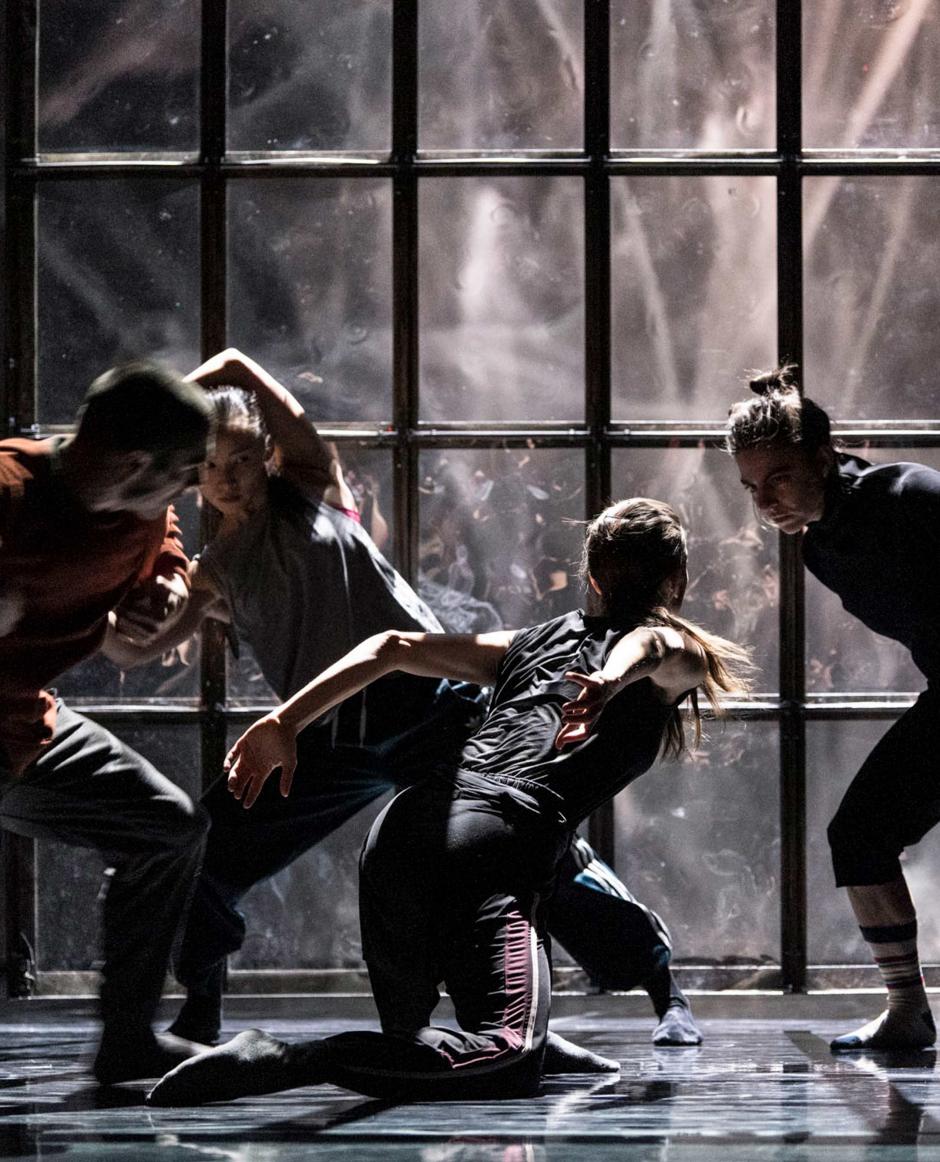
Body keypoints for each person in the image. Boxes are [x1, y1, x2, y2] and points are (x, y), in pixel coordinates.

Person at [108, 350, 703, 1054]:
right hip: (327, 737)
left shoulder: (309, 486)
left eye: (239, 461)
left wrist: (167, 397)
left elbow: (239, 363)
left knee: (535, 849)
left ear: (265, 453)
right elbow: (133, 649)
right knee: (204, 848)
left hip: (426, 709)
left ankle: (663, 988)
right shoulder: (215, 572)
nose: (228, 480)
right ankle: (200, 1010)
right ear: (192, 483)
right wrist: (105, 614)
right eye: (208, 470)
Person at [147, 497, 750, 1106]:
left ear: (591, 577)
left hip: (404, 830)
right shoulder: (678, 652)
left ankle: (537, 1038)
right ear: (678, 582)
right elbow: (652, 644)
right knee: (505, 1060)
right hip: (492, 846)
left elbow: (392, 646)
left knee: (414, 1040)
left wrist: (284, 721)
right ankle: (287, 1057)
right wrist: (613, 681)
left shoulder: (528, 642)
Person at [0, 362, 213, 1084]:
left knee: (166, 825)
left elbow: (168, 539)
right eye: (185, 472)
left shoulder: (143, 511)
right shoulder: (8, 490)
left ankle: (128, 1037)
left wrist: (171, 583)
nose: (189, 490)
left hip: (25, 731)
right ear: (131, 463)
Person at [727, 365, 940, 1053]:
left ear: (823, 456)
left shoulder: (909, 493)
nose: (765, 501)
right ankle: (907, 1011)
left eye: (779, 477)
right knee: (859, 835)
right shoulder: (819, 546)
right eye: (752, 487)